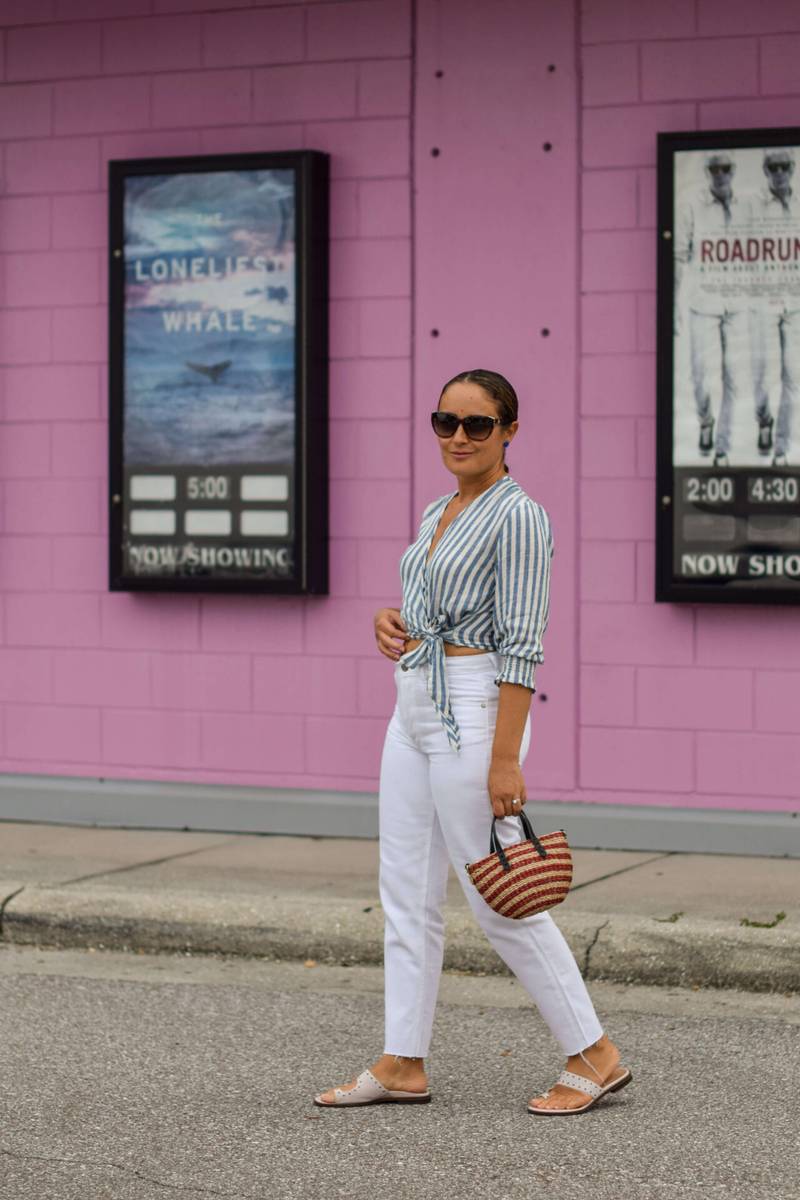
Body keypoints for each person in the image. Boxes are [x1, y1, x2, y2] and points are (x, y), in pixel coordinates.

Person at [313, 369, 632, 1115]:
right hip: (415, 703)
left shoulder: (520, 517)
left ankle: (595, 1052)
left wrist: (504, 757)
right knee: (405, 893)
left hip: (477, 706)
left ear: (510, 431)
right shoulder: (439, 511)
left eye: (478, 425)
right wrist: (389, 619)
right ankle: (402, 1061)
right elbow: (431, 607)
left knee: (497, 895)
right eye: (445, 422)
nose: (458, 437)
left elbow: (522, 644)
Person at [674, 151, 753, 466]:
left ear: (733, 172)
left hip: (736, 305)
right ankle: (706, 420)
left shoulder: (747, 207)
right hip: (702, 303)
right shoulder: (692, 206)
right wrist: (675, 305)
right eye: (714, 170)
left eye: (726, 169)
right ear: (708, 173)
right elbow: (679, 256)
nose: (720, 175)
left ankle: (723, 446)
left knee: (733, 376)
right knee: (702, 375)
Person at [748, 148, 800, 467]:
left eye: (785, 166)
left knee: (793, 377)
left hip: (795, 305)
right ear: (766, 172)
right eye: (773, 167)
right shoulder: (753, 206)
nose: (779, 172)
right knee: (761, 374)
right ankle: (764, 419)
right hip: (763, 303)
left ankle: (782, 446)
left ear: (792, 169)